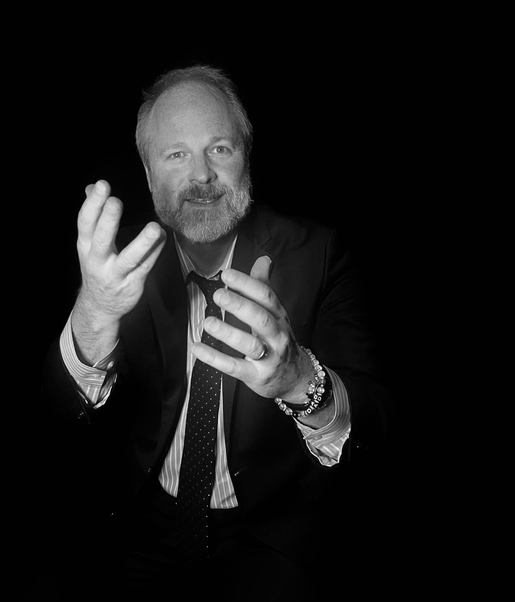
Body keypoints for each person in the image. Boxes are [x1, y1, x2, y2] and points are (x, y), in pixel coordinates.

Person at [42, 64, 391, 600]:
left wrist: (301, 380)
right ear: (148, 173)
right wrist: (94, 313)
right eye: (176, 154)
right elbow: (50, 422)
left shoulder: (319, 254)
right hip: (136, 522)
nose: (202, 174)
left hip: (267, 535)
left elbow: (377, 429)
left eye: (220, 148)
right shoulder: (116, 260)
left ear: (246, 156)